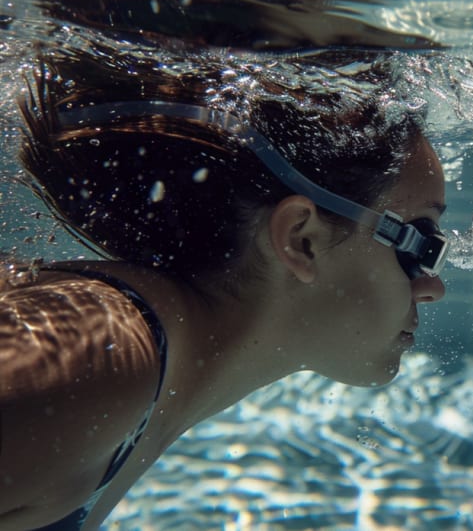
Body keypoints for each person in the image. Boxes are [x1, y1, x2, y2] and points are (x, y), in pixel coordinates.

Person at [0, 48, 448, 530]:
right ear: (303, 239)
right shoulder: (96, 358)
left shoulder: (129, 361)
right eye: (419, 240)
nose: (434, 286)